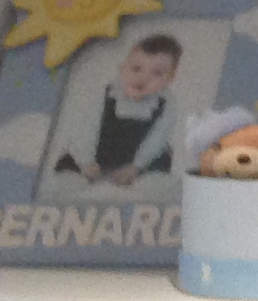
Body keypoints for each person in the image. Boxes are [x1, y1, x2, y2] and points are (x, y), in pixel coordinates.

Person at [55, 31, 182, 185]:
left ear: (170, 78)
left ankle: (144, 183)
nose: (143, 78)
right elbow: (86, 130)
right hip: (97, 153)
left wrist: (136, 167)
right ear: (123, 68)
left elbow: (157, 138)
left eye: (157, 73)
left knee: (159, 169)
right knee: (67, 176)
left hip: (141, 158)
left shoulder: (166, 103)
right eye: (136, 69)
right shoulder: (106, 94)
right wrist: (85, 162)